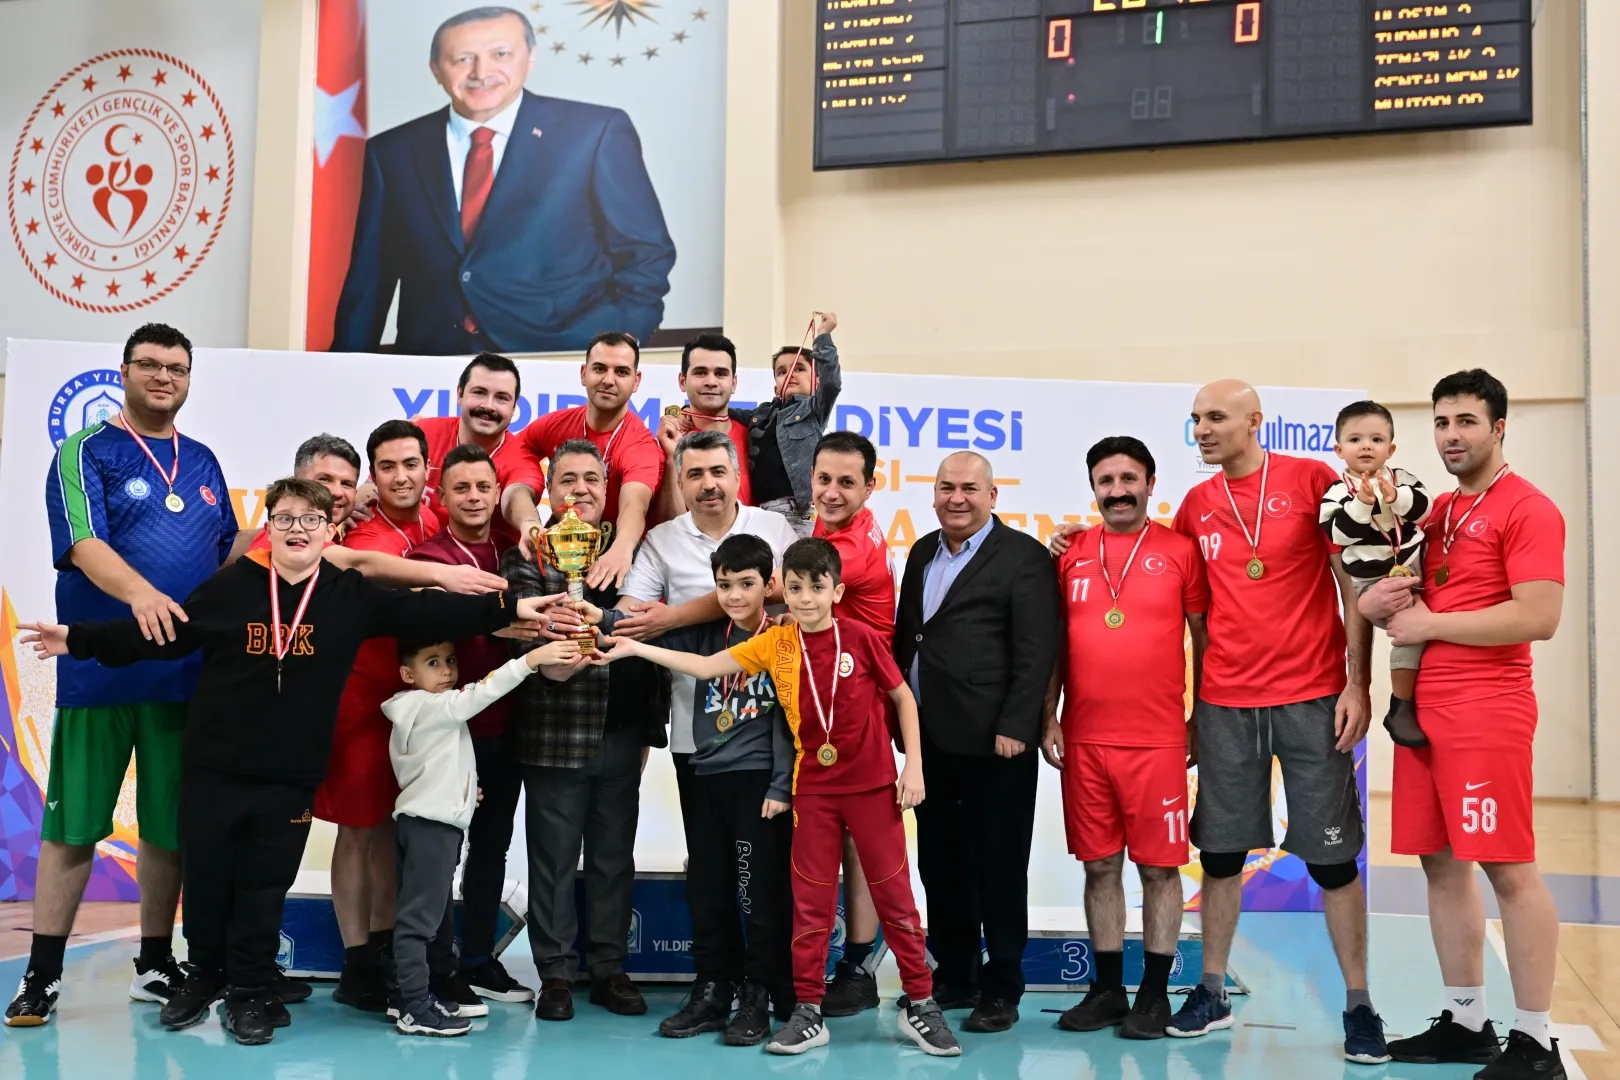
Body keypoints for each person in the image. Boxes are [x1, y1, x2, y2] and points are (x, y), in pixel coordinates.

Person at [16, 478, 567, 1044]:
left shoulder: (348, 595)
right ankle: (203, 977)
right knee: (206, 881)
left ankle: (250, 992)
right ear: (269, 527)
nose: (297, 529)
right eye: (284, 518)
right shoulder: (232, 586)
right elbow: (165, 635)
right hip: (214, 767)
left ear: (330, 530)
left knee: (264, 886)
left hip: (290, 773)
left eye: (310, 519)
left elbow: (426, 610)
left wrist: (509, 606)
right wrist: (76, 640)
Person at [597, 537, 962, 1058]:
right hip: (811, 791)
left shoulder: (859, 637)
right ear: (782, 591)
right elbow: (705, 666)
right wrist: (636, 648)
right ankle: (807, 1011)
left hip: (872, 788)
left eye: (817, 587)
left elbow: (902, 696)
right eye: (795, 588)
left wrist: (915, 767)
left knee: (896, 898)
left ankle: (921, 1003)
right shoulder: (775, 644)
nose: (806, 598)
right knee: (810, 906)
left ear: (837, 591)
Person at [8, 323, 242, 1028]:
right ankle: (42, 975)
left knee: (168, 831)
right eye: (151, 364)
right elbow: (82, 544)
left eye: (177, 367)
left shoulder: (202, 461)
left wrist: (309, 525)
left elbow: (227, 556)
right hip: (100, 674)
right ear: (125, 370)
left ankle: (154, 962)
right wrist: (142, 595)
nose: (164, 377)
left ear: (189, 379)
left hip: (185, 678)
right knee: (73, 827)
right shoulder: (85, 451)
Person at [1165, 379, 1386, 1064]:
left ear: (1255, 421)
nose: (1202, 430)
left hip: (1313, 696)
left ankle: (1359, 1004)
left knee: (1333, 861)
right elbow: (1190, 611)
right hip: (1227, 702)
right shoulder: (1196, 505)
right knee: (1221, 855)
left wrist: (1357, 682)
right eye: (1196, 419)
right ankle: (1211, 991)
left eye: (1215, 417)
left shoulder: (1312, 480)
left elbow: (1352, 583)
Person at [1360, 370, 1567, 1080]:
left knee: (1508, 867)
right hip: (1425, 714)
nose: (1452, 435)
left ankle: (1535, 1042)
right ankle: (1468, 1022)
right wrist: (1376, 604)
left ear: (1499, 428)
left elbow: (1539, 615)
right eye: (1443, 422)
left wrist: (1431, 624)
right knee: (1441, 864)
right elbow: (1398, 596)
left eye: (1467, 422)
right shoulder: (1438, 510)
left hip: (1487, 709)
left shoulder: (1528, 508)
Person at [331, 5, 675, 354]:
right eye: (463, 59)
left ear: (531, 57)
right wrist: (344, 367)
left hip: (560, 353)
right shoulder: (392, 152)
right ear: (435, 70)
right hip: (433, 360)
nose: (481, 72)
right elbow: (371, 277)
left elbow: (646, 252)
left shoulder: (594, 132)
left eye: (501, 54)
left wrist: (622, 340)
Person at [582, 534, 794, 1045]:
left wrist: (781, 785)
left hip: (759, 784)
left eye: (746, 584)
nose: (735, 595)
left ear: (770, 584)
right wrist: (601, 618)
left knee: (758, 891)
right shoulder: (704, 633)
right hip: (704, 773)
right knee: (708, 884)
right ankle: (714, 987)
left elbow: (791, 721)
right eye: (725, 585)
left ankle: (760, 992)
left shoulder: (785, 636)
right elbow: (643, 630)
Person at [1039, 437, 1208, 1039]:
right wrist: (1049, 716)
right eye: (1106, 481)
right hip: (1085, 740)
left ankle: (1154, 995)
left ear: (1150, 484)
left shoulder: (1181, 551)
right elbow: (1054, 643)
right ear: (1093, 488)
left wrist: (1199, 720)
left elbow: (1205, 641)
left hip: (1158, 741)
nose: (1118, 491)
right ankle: (1108, 991)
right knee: (1100, 867)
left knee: (1160, 870)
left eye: (1128, 479)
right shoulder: (1070, 552)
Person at [497, 440, 671, 1023]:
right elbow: (530, 634)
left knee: (613, 859)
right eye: (567, 479)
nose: (581, 489)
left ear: (607, 488)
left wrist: (649, 731)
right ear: (549, 491)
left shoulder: (635, 552)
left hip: (623, 733)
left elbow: (650, 631)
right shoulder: (528, 555)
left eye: (592, 479)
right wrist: (561, 650)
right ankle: (555, 973)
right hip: (555, 730)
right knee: (551, 860)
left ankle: (608, 968)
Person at [893, 451, 1061, 1034]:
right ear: (933, 493)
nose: (956, 498)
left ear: (993, 496)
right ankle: (956, 974)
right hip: (932, 741)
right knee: (941, 864)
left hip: (997, 744)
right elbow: (911, 637)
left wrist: (1018, 725)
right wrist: (901, 722)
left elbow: (1037, 649)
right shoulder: (922, 551)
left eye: (969, 488)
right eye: (946, 487)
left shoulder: (1023, 557)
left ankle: (1002, 985)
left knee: (999, 866)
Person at [383, 633, 580, 1037]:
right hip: (431, 828)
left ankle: (418, 995)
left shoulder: (419, 709)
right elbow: (482, 692)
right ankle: (412, 1004)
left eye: (450, 660)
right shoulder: (431, 706)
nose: (447, 670)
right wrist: (530, 661)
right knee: (419, 922)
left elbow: (430, 764)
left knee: (429, 918)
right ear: (407, 674)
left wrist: (462, 787)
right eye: (433, 662)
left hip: (428, 820)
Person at [404, 444, 544, 1005]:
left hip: (509, 727)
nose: (473, 497)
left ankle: (480, 961)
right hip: (449, 734)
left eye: (483, 487)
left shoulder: (518, 549)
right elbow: (426, 624)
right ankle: (438, 970)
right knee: (441, 853)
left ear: (497, 492)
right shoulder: (429, 557)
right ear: (441, 496)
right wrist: (498, 624)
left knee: (492, 848)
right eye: (460, 488)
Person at [318, 420, 443, 1014]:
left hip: (420, 709)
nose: (400, 476)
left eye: (410, 464)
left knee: (398, 831)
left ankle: (392, 948)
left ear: (427, 469)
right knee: (359, 830)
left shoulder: (436, 522)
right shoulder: (358, 534)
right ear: (374, 475)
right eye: (387, 467)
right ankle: (357, 962)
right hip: (361, 702)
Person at [807, 430, 895, 1015]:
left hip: (858, 710)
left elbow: (773, 592)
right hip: (828, 704)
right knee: (837, 838)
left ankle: (861, 964)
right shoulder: (833, 526)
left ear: (870, 486)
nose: (832, 492)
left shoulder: (851, 549)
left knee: (859, 842)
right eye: (824, 479)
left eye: (846, 482)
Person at [249, 434, 509, 597]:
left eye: (347, 484)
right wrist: (445, 575)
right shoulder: (286, 534)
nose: (336, 492)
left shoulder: (427, 517)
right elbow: (360, 564)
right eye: (324, 480)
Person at [1319, 401, 1432, 747]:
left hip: (1413, 564)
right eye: (1355, 440)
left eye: (1376, 439)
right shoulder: (1337, 492)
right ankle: (1401, 704)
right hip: (1372, 581)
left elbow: (1425, 508)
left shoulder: (1402, 480)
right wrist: (1363, 503)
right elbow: (1339, 533)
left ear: (1391, 449)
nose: (1366, 446)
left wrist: (1396, 497)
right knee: (1410, 629)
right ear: (1339, 450)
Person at [518, 331, 663, 588]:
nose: (608, 380)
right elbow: (514, 457)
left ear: (636, 380)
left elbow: (634, 504)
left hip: (614, 558)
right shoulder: (554, 425)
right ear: (584, 373)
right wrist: (528, 517)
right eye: (599, 369)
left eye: (621, 372)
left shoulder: (640, 445)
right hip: (559, 548)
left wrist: (623, 548)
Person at [733, 313, 842, 537]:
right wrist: (686, 412)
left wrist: (823, 335)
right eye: (782, 372)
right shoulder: (760, 414)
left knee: (796, 562)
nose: (790, 374)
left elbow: (832, 384)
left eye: (799, 368)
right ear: (775, 387)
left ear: (816, 382)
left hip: (797, 513)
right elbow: (721, 412)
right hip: (758, 513)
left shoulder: (813, 409)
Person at [653, 334, 755, 521]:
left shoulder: (756, 435)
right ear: (682, 381)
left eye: (721, 373)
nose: (711, 381)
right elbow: (668, 528)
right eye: (700, 372)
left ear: (733, 383)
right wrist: (671, 459)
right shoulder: (666, 442)